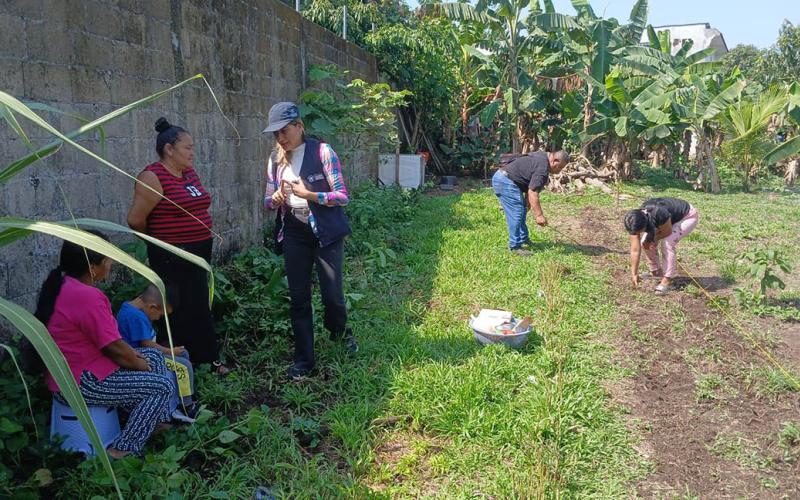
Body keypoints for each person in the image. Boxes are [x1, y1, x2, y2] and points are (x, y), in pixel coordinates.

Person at [35, 231, 173, 459]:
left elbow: (112, 345)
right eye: (107, 258)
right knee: (162, 386)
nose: (111, 263)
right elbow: (115, 349)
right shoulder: (87, 296)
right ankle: (122, 450)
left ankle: (150, 422)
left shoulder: (64, 284)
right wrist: (139, 365)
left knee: (154, 357)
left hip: (76, 371)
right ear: (92, 267)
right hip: (82, 383)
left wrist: (140, 359)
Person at [127, 117, 230, 375]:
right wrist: (161, 243)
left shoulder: (188, 174)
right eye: (187, 147)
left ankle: (206, 359)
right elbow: (135, 220)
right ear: (169, 149)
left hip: (198, 252)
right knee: (175, 307)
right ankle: (180, 362)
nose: (192, 153)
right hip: (171, 255)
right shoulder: (152, 177)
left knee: (198, 305)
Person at [262, 101, 357, 381]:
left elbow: (342, 196)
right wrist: (275, 199)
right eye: (275, 133)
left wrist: (312, 195)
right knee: (299, 299)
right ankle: (304, 359)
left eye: (285, 130)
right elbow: (267, 201)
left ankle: (340, 332)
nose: (281, 137)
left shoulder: (323, 152)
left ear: (299, 126)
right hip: (294, 231)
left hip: (325, 231)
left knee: (333, 296)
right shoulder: (275, 160)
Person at [116, 284, 198, 422]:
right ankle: (186, 405)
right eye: (160, 315)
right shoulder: (136, 317)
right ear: (152, 307)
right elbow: (146, 344)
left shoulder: (130, 308)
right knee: (183, 365)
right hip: (143, 356)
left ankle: (184, 392)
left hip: (146, 351)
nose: (158, 318)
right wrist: (171, 351)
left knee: (183, 354)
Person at [492, 150, 569, 255]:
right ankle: (515, 246)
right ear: (554, 160)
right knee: (517, 212)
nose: (559, 171)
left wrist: (527, 204)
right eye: (560, 167)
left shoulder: (543, 156)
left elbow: (530, 183)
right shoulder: (542, 168)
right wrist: (539, 216)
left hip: (509, 180)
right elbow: (533, 192)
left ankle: (524, 239)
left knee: (522, 210)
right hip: (505, 181)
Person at [624, 197, 700, 294]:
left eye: (640, 231)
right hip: (666, 220)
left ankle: (667, 280)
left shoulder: (658, 213)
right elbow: (635, 249)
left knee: (667, 243)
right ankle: (656, 271)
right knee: (644, 242)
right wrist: (634, 273)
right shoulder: (633, 221)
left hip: (687, 216)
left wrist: (654, 239)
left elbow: (667, 232)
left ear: (645, 223)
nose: (638, 233)